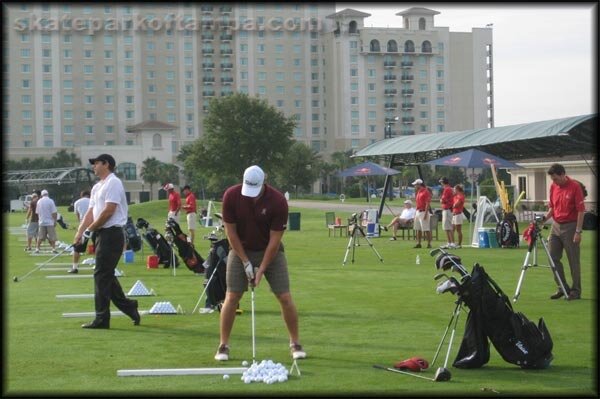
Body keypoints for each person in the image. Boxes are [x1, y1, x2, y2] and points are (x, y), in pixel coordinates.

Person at [214, 165, 306, 361]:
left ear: (265, 181)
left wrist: (261, 269)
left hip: (270, 252)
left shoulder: (278, 201)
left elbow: (275, 240)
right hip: (239, 250)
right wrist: (245, 261)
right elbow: (231, 233)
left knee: (285, 297)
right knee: (232, 296)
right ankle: (223, 345)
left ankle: (295, 343)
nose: (251, 196)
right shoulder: (231, 196)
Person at [74, 153, 140, 329]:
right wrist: (80, 232)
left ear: (106, 164)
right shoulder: (96, 187)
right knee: (106, 275)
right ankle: (129, 307)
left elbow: (109, 211)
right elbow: (91, 212)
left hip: (112, 234)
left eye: (96, 163)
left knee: (101, 275)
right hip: (101, 234)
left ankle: (102, 318)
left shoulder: (114, 182)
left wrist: (90, 230)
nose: (93, 166)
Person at [542, 163, 585, 301]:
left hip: (571, 226)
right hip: (556, 225)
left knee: (573, 260)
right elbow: (553, 208)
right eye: (552, 179)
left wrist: (578, 231)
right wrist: (543, 218)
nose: (554, 182)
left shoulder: (575, 187)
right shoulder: (554, 187)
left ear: (563, 174)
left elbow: (581, 210)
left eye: (555, 179)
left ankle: (576, 290)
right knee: (552, 258)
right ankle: (562, 287)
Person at [69, 190, 91, 274]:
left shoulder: (77, 202)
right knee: (98, 246)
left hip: (83, 225)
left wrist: (81, 226)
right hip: (95, 224)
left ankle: (75, 267)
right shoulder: (93, 201)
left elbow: (78, 215)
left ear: (82, 195)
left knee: (77, 248)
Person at [35, 189, 58, 253]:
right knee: (52, 237)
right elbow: (54, 212)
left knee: (40, 237)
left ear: (42, 195)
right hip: (50, 222)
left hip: (42, 221)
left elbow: (37, 212)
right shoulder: (51, 201)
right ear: (47, 194)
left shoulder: (39, 201)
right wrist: (55, 221)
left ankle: (37, 248)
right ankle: (53, 249)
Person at [412, 179, 432, 249]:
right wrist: (415, 214)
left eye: (415, 185)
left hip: (423, 212)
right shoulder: (418, 192)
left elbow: (427, 204)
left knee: (426, 229)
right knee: (418, 229)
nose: (414, 186)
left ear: (419, 184)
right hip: (418, 212)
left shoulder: (425, 192)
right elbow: (417, 204)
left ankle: (429, 243)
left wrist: (426, 214)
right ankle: (418, 243)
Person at [439, 177, 456, 249]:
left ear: (443, 182)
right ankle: (449, 243)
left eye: (441, 182)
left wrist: (441, 200)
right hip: (447, 209)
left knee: (448, 227)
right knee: (447, 227)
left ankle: (452, 243)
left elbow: (443, 200)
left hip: (447, 209)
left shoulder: (447, 189)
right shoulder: (448, 189)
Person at [451, 184, 466, 248]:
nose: (453, 190)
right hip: (454, 214)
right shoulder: (455, 196)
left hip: (458, 214)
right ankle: (452, 243)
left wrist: (454, 204)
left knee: (458, 230)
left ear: (457, 189)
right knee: (452, 229)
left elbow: (456, 205)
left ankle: (459, 244)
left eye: (454, 189)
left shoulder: (461, 196)